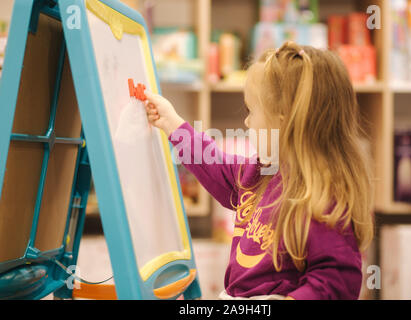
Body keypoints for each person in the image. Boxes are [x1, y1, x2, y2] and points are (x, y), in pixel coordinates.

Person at [144, 41, 374, 300]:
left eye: (252, 111)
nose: (246, 121)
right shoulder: (264, 171)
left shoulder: (323, 198)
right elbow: (218, 167)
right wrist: (173, 125)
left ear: (283, 123)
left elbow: (337, 281)